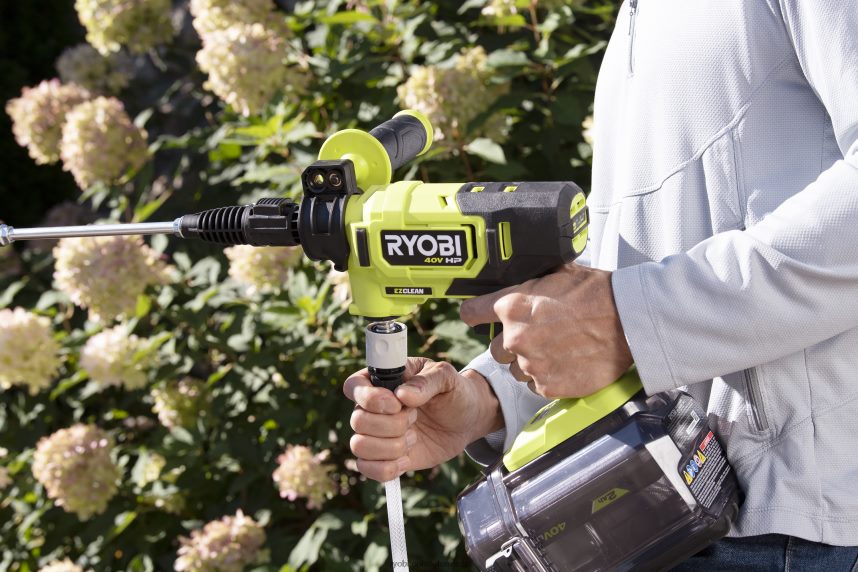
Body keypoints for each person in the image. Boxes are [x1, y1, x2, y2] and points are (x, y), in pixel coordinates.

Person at [344, 1, 858, 568]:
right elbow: (624, 269)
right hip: (671, 505)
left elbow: (622, 311)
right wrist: (488, 399)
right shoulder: (639, 20)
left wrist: (627, 318)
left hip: (795, 533)